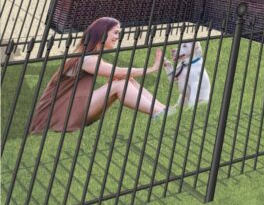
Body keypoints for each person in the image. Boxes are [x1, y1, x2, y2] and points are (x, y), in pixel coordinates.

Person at [28, 17, 167, 134]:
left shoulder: (88, 55)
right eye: (115, 33)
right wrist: (152, 69)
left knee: (124, 80)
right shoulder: (86, 59)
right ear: (102, 33)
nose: (118, 37)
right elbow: (120, 71)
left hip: (72, 108)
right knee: (121, 83)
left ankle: (163, 110)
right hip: (63, 114)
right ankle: (158, 112)